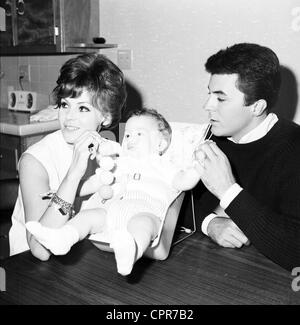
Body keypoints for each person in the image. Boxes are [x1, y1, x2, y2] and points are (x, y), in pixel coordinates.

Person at [25, 108, 204, 276]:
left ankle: (131, 251)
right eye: (127, 135)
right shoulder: (121, 164)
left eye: (139, 134)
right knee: (89, 216)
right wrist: (58, 191)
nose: (130, 139)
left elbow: (184, 181)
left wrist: (198, 166)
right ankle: (63, 238)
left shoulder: (165, 166)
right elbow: (91, 185)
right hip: (114, 211)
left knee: (143, 225)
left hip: (146, 211)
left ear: (161, 144)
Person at [9, 53, 127, 260]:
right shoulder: (34, 161)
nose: (69, 117)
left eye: (82, 108)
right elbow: (39, 250)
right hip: (28, 269)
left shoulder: (110, 152)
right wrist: (74, 174)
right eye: (65, 105)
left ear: (106, 116)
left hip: (79, 257)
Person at [193, 42, 300, 271]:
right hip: (211, 270)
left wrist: (228, 191)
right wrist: (210, 223)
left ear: (257, 107)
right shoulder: (212, 135)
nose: (207, 105)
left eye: (220, 98)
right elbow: (169, 199)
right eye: (209, 94)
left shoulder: (294, 150)